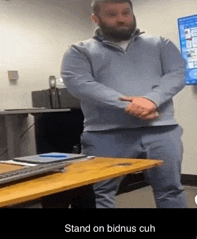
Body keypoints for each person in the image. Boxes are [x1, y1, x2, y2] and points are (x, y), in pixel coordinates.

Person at [61, 0, 188, 208]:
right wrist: (130, 105)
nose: (121, 19)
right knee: (100, 194)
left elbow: (177, 74)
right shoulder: (79, 51)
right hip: (104, 134)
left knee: (171, 190)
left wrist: (150, 100)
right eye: (112, 14)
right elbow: (80, 84)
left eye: (125, 13)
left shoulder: (161, 43)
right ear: (96, 19)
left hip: (161, 130)